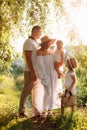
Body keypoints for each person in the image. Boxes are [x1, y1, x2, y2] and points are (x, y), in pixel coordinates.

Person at [32, 36, 63, 117]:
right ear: (45, 43)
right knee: (48, 92)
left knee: (53, 91)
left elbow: (56, 62)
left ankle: (49, 110)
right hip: (45, 74)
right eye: (49, 42)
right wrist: (43, 77)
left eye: (50, 42)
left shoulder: (51, 51)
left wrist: (59, 72)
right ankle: (44, 110)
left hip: (53, 73)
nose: (50, 44)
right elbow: (40, 65)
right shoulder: (40, 52)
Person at [18, 25, 42, 118]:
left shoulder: (35, 42)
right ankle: (21, 112)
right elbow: (28, 58)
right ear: (35, 31)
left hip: (36, 70)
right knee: (26, 91)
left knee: (36, 92)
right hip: (29, 70)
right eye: (40, 31)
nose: (41, 33)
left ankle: (36, 111)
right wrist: (32, 71)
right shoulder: (28, 42)